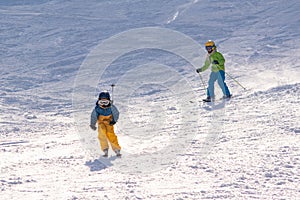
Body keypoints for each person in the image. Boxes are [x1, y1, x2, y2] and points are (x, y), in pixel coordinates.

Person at [90, 91, 121, 157]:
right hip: (101, 123)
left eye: (105, 102)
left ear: (109, 101)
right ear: (99, 101)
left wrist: (114, 120)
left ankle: (116, 149)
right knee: (102, 134)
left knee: (111, 134)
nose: (103, 104)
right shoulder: (97, 109)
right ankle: (105, 148)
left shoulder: (111, 107)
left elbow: (116, 113)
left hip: (109, 122)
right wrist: (93, 124)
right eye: (102, 102)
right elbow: (94, 116)